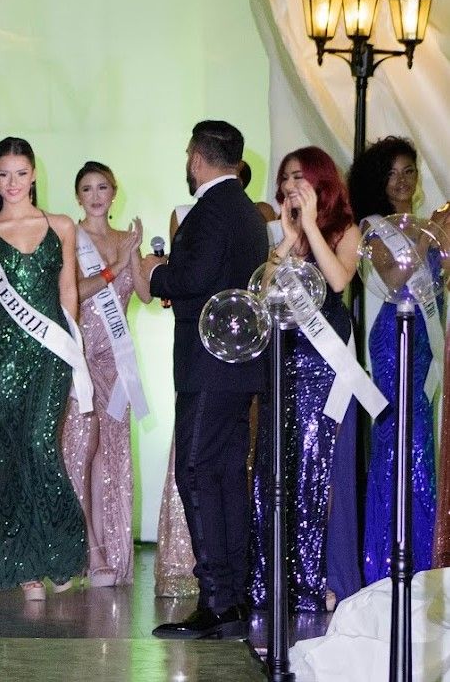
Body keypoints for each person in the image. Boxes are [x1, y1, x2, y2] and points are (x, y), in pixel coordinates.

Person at [145, 120, 267, 640]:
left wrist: (153, 273)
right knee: (223, 479)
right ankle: (232, 599)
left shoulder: (209, 210)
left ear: (197, 157)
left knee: (197, 473)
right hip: (237, 367)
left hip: (208, 367)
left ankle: (218, 601)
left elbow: (192, 278)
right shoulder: (247, 212)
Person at [0, 137, 87, 598]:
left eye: (20, 173)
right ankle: (27, 564)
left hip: (51, 350)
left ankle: (62, 547)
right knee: (14, 457)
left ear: (33, 175)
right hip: (1, 356)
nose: (11, 183)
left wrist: (76, 350)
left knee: (39, 443)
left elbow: (68, 288)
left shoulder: (62, 226)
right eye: (2, 175)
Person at [248, 147, 362, 612]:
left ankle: (319, 577)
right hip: (286, 363)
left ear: (320, 181)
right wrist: (288, 235)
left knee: (322, 471)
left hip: (327, 366)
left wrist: (311, 227)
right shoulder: (282, 236)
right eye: (285, 180)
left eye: (299, 177)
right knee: (281, 468)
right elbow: (263, 290)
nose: (291, 186)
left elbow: (337, 281)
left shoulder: (346, 231)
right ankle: (275, 576)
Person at [348, 137, 439, 584]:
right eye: (393, 173)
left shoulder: (428, 226)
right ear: (379, 181)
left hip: (425, 339)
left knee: (421, 443)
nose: (402, 181)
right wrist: (427, 239)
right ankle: (389, 559)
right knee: (400, 443)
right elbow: (395, 274)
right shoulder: (373, 227)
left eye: (409, 172)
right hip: (392, 339)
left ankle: (425, 556)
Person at [63, 161, 150, 587]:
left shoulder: (123, 238)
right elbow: (71, 295)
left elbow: (146, 294)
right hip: (79, 353)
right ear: (77, 196)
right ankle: (87, 549)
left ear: (114, 192)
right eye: (87, 188)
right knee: (80, 449)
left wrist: (134, 256)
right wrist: (112, 267)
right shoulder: (69, 239)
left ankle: (113, 550)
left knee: (111, 453)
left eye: (103, 187)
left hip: (115, 360)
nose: (95, 195)